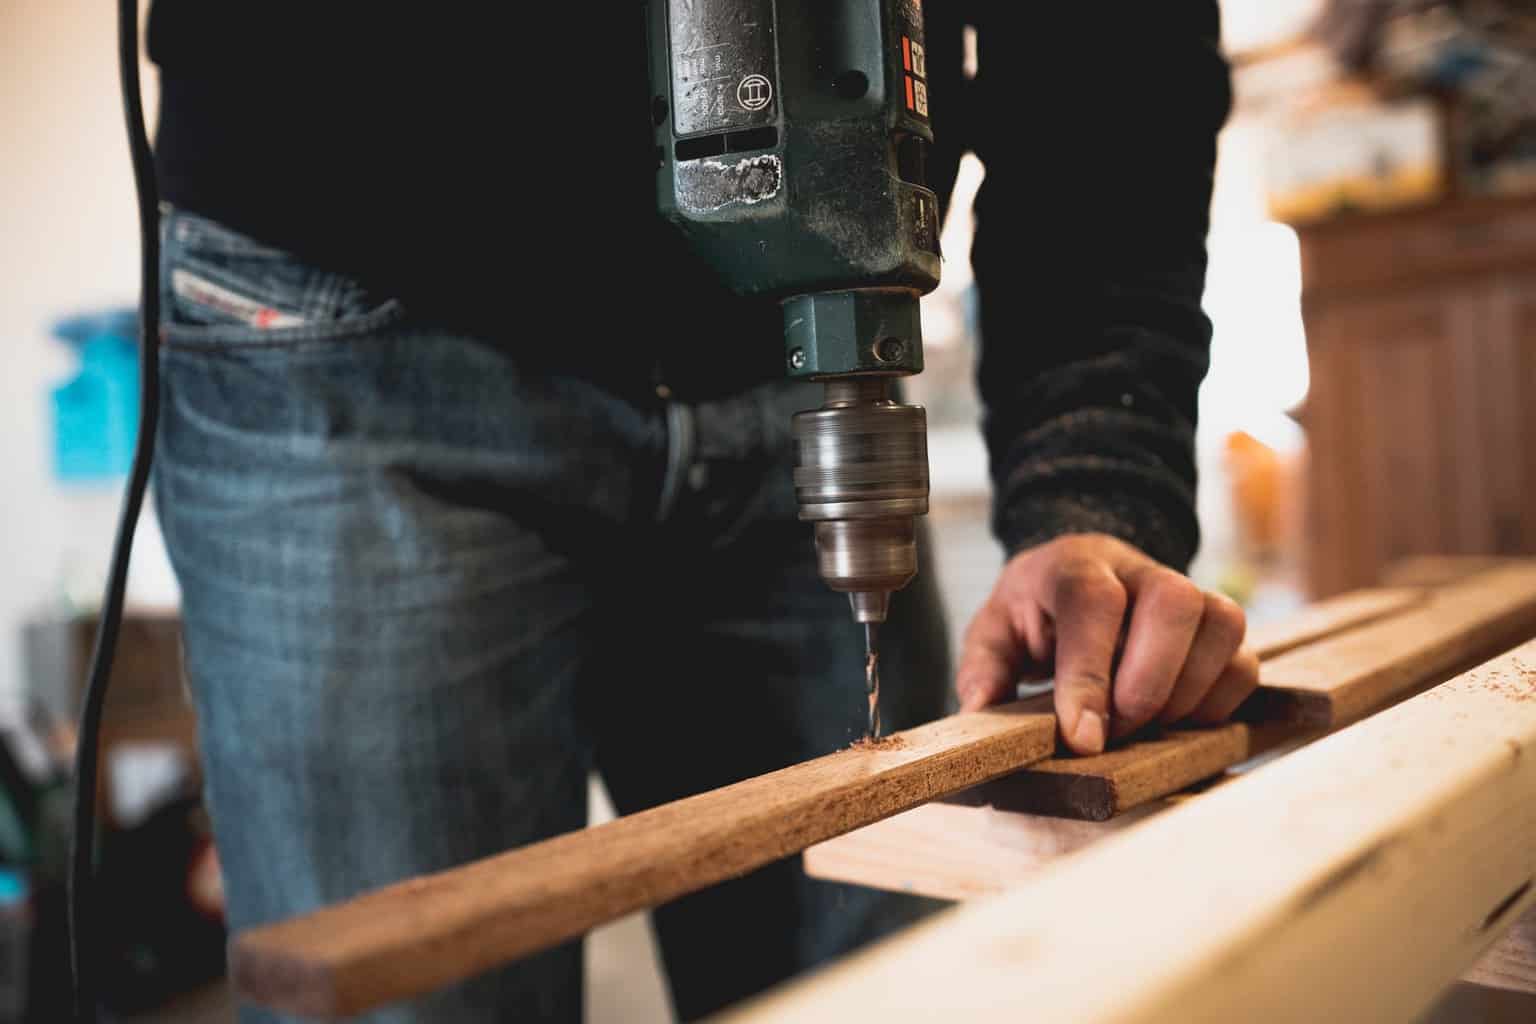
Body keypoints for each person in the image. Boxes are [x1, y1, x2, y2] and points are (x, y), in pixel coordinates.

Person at [145, 2, 1256, 1020]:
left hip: (784, 339)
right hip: (348, 299)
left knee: (894, 985)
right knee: (412, 986)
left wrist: (1093, 475)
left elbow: (1116, 50)